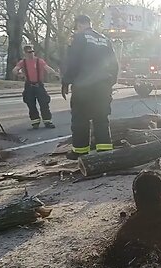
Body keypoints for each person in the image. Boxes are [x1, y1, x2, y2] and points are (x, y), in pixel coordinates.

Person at [62, 15, 119, 160]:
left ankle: (80, 151)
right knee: (101, 118)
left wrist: (66, 81)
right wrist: (110, 81)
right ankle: (105, 151)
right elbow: (114, 63)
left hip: (84, 86)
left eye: (76, 27)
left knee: (80, 118)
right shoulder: (105, 40)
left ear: (79, 24)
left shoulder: (80, 38)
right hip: (103, 86)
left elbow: (73, 62)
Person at [12, 45, 59, 129]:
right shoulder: (23, 62)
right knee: (31, 104)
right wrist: (20, 75)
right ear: (25, 53)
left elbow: (47, 68)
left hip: (39, 85)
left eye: (32, 51)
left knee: (44, 103)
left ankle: (47, 121)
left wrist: (55, 74)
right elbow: (15, 70)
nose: (31, 53)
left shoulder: (39, 61)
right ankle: (35, 122)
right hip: (29, 86)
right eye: (29, 52)